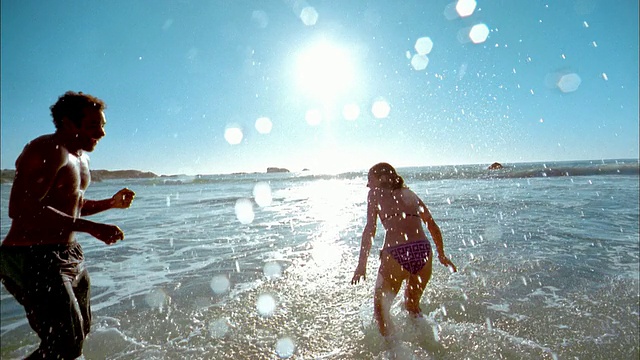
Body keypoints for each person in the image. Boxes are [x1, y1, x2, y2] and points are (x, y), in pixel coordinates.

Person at [0, 91, 136, 359]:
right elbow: (21, 209)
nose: (102, 133)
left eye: (103, 125)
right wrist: (92, 227)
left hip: (68, 254)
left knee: (79, 334)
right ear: (67, 123)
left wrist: (110, 203)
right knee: (64, 344)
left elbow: (71, 204)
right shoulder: (46, 149)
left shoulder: (82, 159)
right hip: (31, 255)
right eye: (93, 126)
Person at [351, 162, 456, 337]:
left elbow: (370, 229)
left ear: (382, 178)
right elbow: (431, 224)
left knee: (381, 312)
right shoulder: (410, 193)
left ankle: (394, 351)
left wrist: (362, 265)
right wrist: (441, 255)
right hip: (423, 252)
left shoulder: (374, 194)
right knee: (412, 307)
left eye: (370, 179)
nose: (368, 184)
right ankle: (427, 343)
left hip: (396, 253)